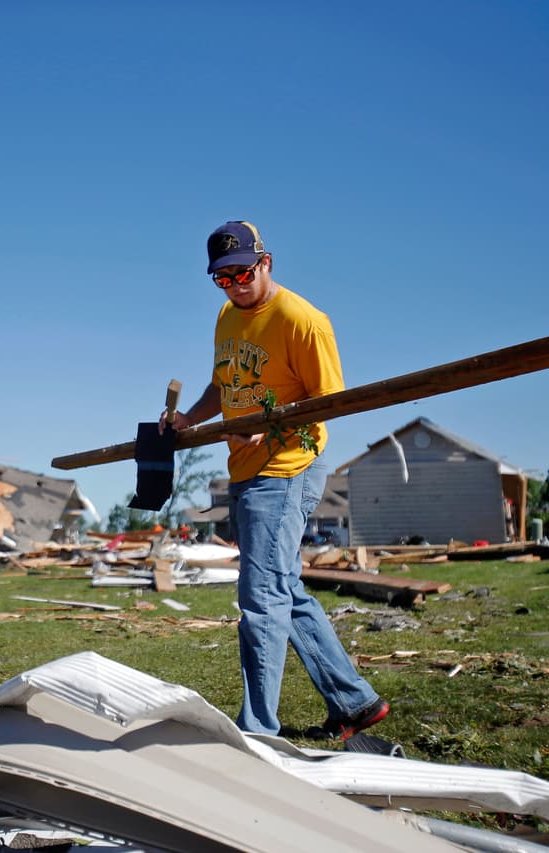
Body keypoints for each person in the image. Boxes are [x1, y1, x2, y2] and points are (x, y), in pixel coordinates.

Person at [159, 220, 388, 740]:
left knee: (260, 599)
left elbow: (331, 402)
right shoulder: (226, 316)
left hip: (287, 470)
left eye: (242, 272)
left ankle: (258, 731)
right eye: (222, 278)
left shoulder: (303, 321)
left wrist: (274, 425)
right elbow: (225, 384)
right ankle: (356, 702)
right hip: (244, 470)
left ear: (265, 262)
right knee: (284, 589)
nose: (235, 284)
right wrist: (189, 421)